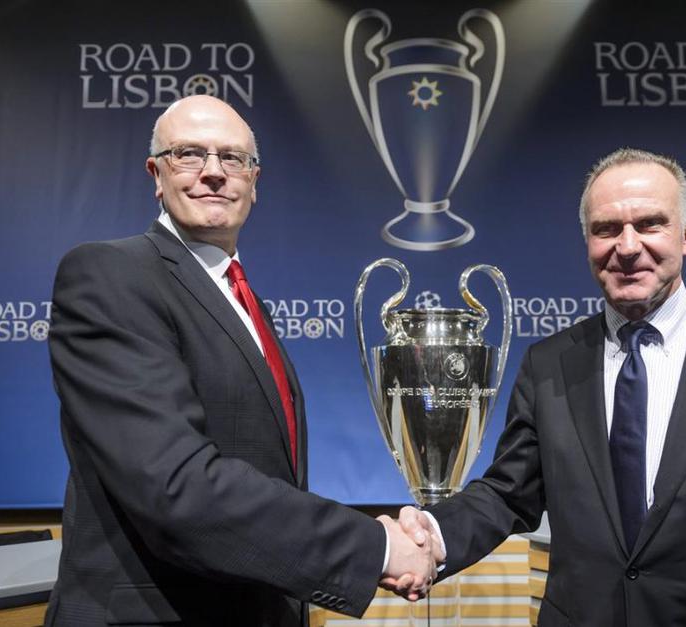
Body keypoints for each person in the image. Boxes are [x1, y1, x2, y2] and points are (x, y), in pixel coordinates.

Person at [399, 148, 686, 625]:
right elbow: (508, 493)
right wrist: (432, 534)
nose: (626, 247)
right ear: (587, 241)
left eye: (649, 224)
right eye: (606, 229)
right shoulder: (548, 364)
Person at [45, 95, 439, 627]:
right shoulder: (110, 275)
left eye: (232, 158)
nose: (213, 172)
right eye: (189, 154)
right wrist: (376, 547)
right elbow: (177, 486)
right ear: (156, 174)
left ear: (254, 181)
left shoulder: (245, 303)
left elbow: (265, 475)